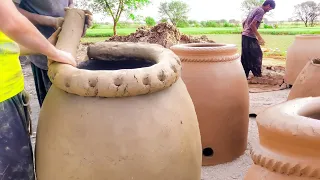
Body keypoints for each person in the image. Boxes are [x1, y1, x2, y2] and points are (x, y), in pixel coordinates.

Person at [0, 1, 77, 179]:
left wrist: (45, 45)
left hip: (9, 91)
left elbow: (7, 46)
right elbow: (11, 21)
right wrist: (54, 52)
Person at [14, 0, 92, 107]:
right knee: (52, 108)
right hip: (40, 51)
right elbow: (10, 11)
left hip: (67, 51)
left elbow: (69, 3)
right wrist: (50, 21)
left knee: (70, 106)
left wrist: (76, 17)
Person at [241, 0, 276, 78]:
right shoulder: (261, 11)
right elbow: (252, 25)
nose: (269, 11)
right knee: (257, 55)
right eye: (270, 9)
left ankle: (244, 75)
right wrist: (259, 37)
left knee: (246, 56)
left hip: (244, 36)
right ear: (268, 5)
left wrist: (244, 30)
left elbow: (244, 22)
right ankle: (257, 74)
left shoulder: (255, 9)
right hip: (250, 37)